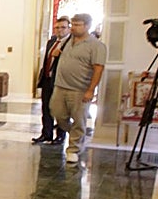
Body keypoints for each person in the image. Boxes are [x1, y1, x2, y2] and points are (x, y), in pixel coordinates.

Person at [49, 12, 107, 165]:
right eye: (72, 25)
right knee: (57, 113)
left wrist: (91, 90)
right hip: (60, 86)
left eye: (77, 25)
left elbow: (98, 69)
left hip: (79, 89)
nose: (73, 28)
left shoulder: (96, 46)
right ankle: (77, 134)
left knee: (79, 120)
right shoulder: (68, 41)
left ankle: (73, 149)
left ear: (87, 26)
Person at [33, 16, 72, 145]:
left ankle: (60, 135)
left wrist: (61, 55)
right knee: (46, 108)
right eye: (57, 27)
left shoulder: (72, 43)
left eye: (63, 27)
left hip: (61, 81)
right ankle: (46, 134)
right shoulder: (52, 41)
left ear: (69, 28)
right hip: (47, 79)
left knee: (61, 110)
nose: (60, 30)